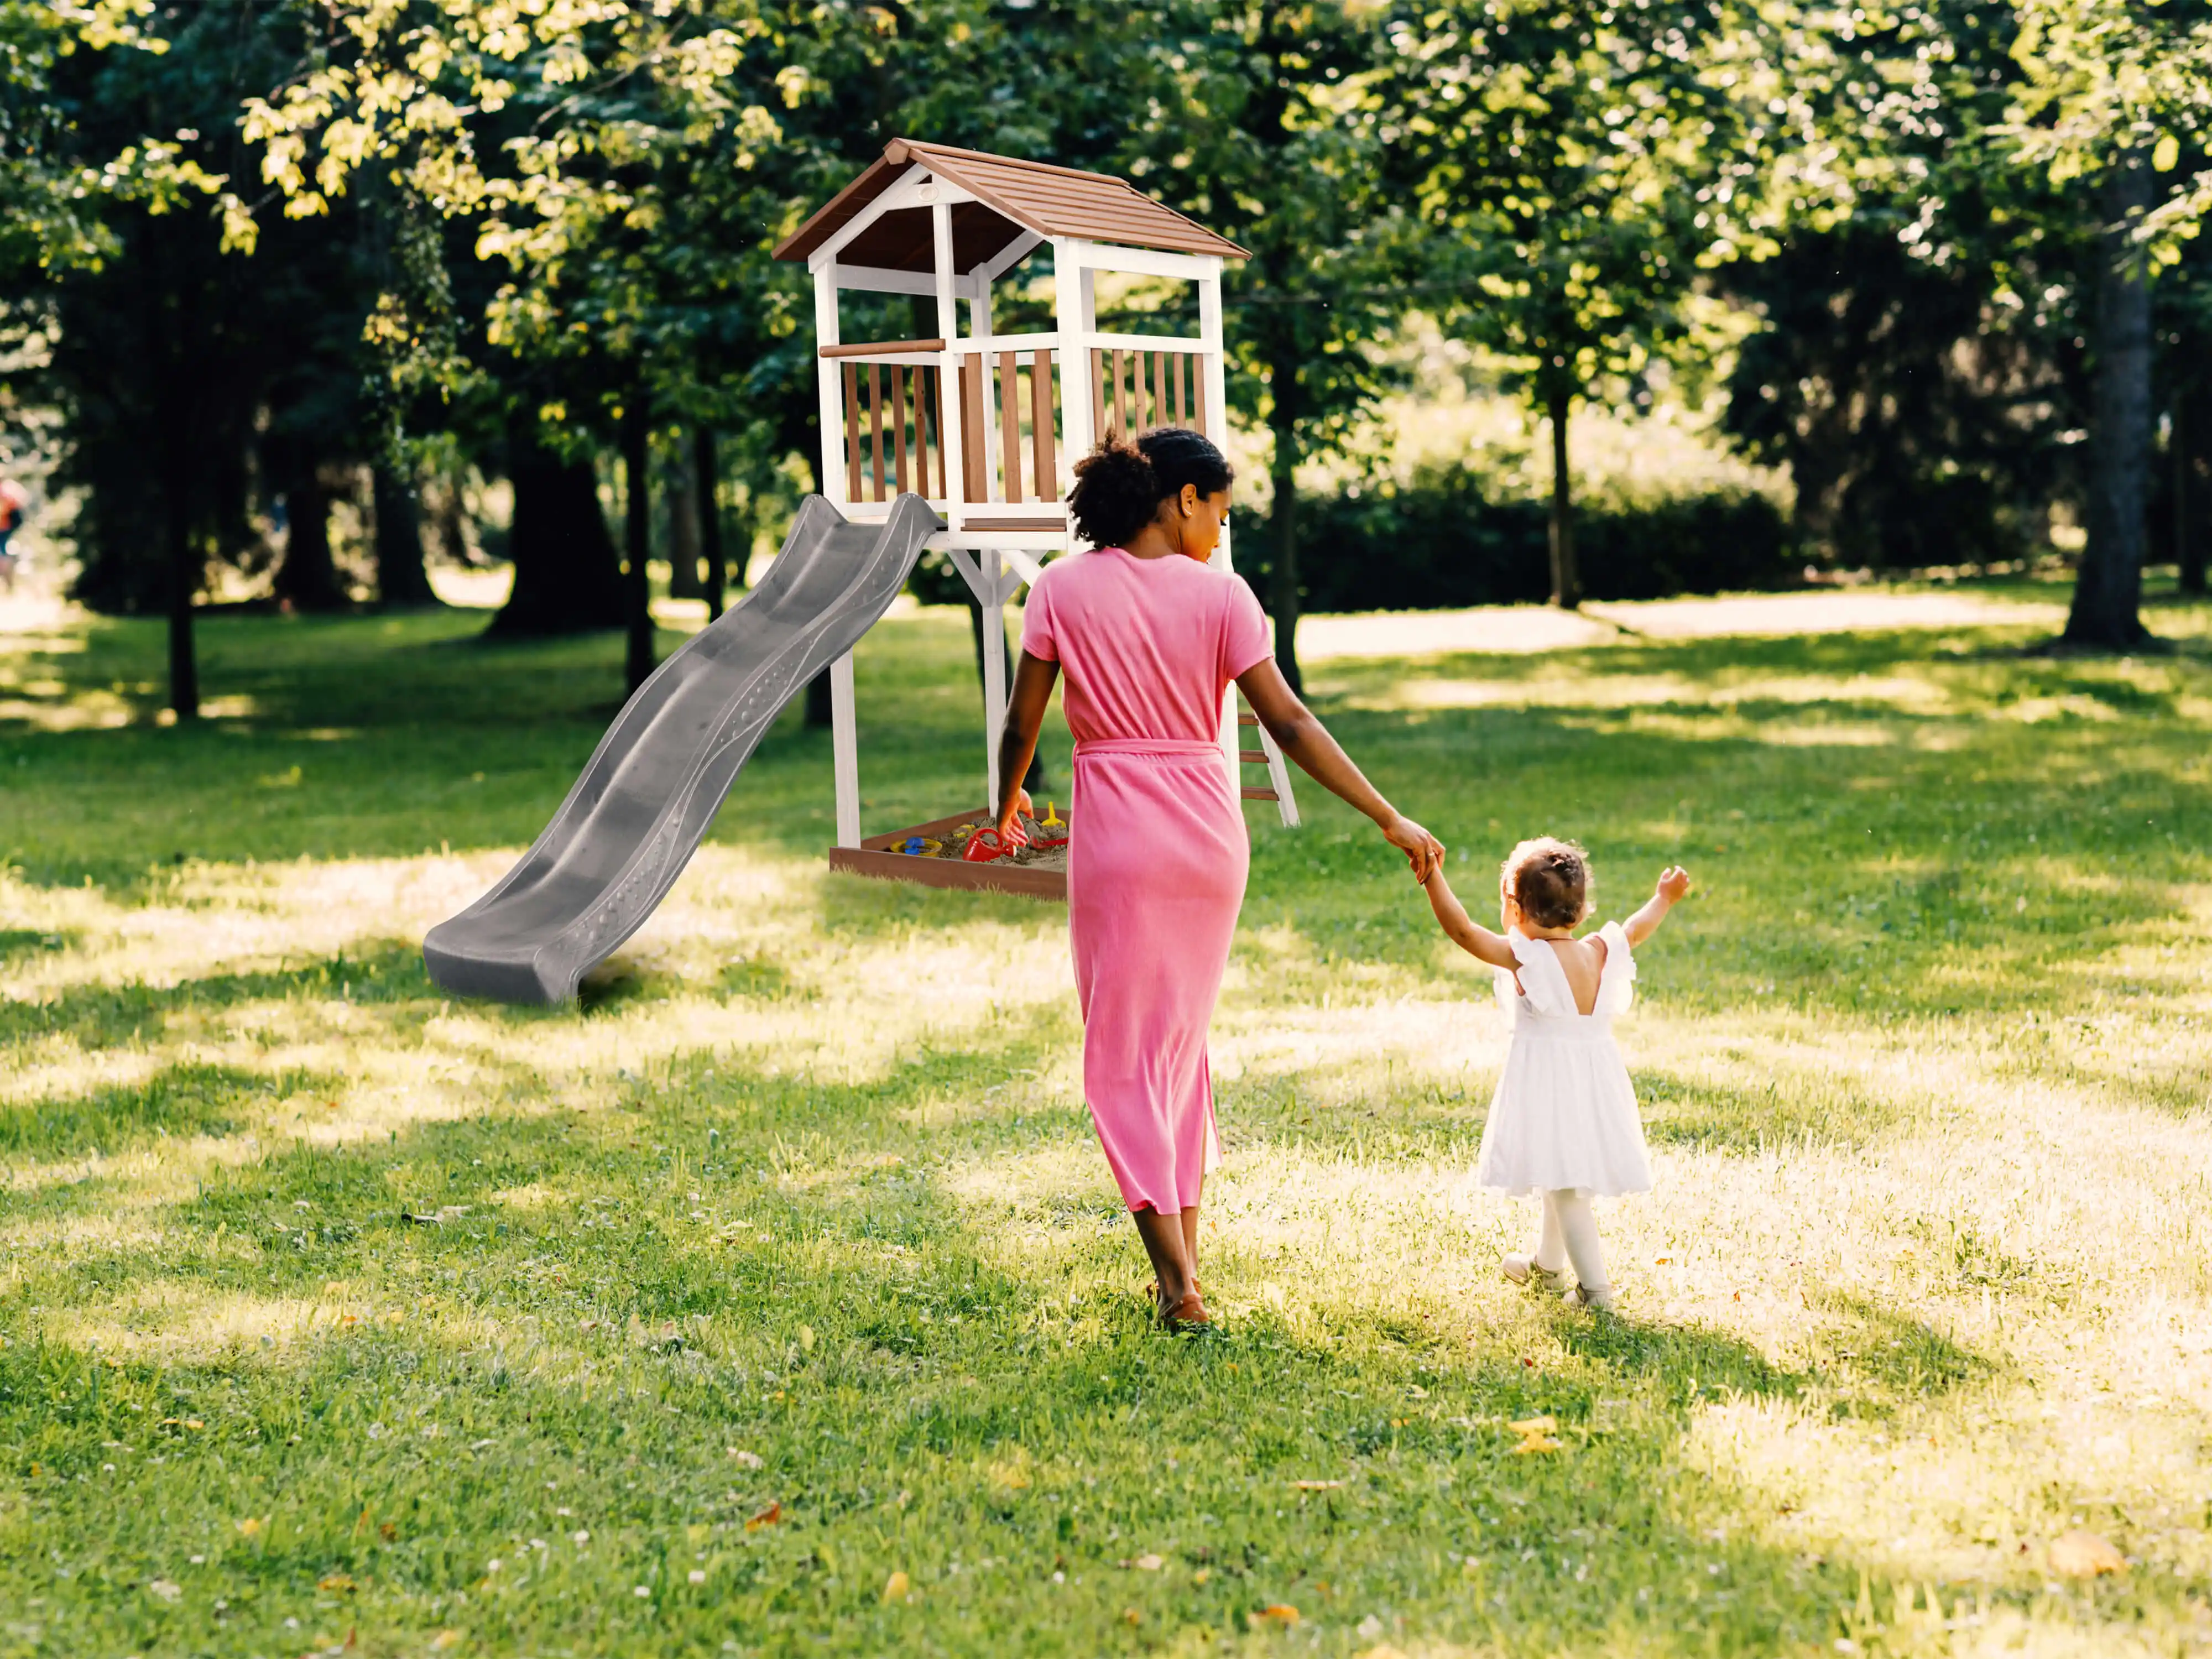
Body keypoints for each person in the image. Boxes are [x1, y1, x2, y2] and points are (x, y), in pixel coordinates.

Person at [992, 427, 1444, 1331]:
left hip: (1119, 838)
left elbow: (1021, 725)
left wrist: (1003, 807)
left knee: (1123, 1057)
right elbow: (1290, 724)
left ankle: (1177, 1285)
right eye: (1221, 512)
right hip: (1208, 838)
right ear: (1183, 499)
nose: (1221, 532)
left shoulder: (1059, 589)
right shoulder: (1224, 598)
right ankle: (1186, 1267)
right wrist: (1386, 814)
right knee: (1176, 1051)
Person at [1418, 838, 1692, 1310]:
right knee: (1556, 1170)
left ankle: (1596, 1292)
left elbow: (1463, 931)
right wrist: (1663, 899)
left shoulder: (1527, 958)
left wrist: (1432, 877)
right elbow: (1636, 928)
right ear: (1581, 911)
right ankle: (1547, 1267)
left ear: (1516, 907)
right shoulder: (1599, 950)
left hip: (1550, 1085)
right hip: (1593, 1082)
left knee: (1566, 1189)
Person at [0, 478, 27, 594]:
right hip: (7, 527)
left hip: (4, 527)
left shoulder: (4, 492)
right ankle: (9, 583)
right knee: (4, 552)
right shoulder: (9, 488)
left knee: (3, 554)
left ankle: (8, 581)